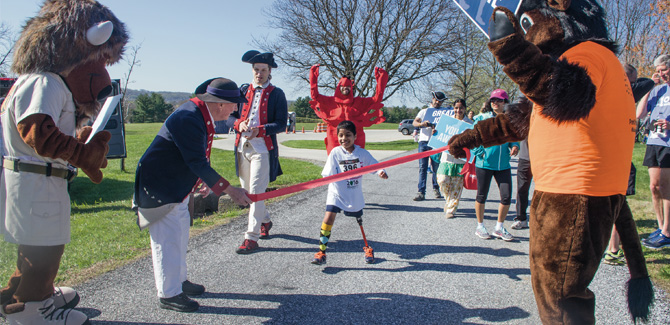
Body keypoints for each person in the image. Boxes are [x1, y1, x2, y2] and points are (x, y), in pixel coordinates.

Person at [0, 2, 127, 324]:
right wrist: (82, 153)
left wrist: (80, 140)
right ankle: (31, 310)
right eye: (98, 58)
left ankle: (18, 296)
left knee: (39, 245)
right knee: (43, 249)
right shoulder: (44, 80)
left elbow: (50, 131)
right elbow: (36, 132)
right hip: (34, 179)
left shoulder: (50, 83)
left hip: (42, 179)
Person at [134, 78, 252, 312]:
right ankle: (168, 294)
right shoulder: (189, 117)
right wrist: (230, 190)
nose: (236, 110)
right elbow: (195, 160)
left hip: (175, 185)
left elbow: (193, 157)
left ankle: (179, 281)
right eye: (234, 104)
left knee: (179, 234)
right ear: (219, 104)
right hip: (161, 187)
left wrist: (201, 181)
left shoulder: (197, 113)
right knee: (167, 240)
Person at [231, 51, 288, 254]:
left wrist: (261, 129)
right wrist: (239, 123)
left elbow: (282, 123)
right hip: (242, 147)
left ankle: (251, 238)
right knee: (248, 192)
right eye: (256, 69)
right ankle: (265, 220)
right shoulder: (242, 90)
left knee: (256, 192)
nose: (259, 73)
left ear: (269, 71)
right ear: (252, 70)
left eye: (263, 70)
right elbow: (230, 116)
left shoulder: (277, 93)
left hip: (263, 150)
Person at [311, 120, 388, 265]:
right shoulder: (335, 152)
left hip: (353, 193)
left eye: (348, 135)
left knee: (359, 219)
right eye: (340, 135)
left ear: (355, 136)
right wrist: (326, 179)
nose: (344, 139)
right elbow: (327, 173)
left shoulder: (362, 153)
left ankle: (367, 247)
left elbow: (375, 165)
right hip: (336, 192)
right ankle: (322, 251)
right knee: (328, 218)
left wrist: (381, 172)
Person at [604, 63, 656, 265]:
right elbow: (647, 83)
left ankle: (609, 246)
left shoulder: (603, 88)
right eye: (631, 81)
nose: (634, 85)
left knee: (610, 204)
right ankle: (613, 249)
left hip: (609, 157)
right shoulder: (620, 91)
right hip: (616, 159)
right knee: (619, 205)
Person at [471, 89, 519, 241]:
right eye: (492, 100)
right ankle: (480, 226)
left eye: (498, 100)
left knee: (506, 197)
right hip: (484, 164)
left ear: (505, 103)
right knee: (481, 195)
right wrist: (480, 152)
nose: (495, 103)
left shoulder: (510, 120)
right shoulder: (482, 118)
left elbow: (513, 138)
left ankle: (499, 227)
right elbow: (473, 138)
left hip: (503, 164)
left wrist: (515, 145)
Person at [309, 64, 388, 154]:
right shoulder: (330, 102)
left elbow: (377, 99)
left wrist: (381, 78)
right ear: (339, 87)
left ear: (351, 87)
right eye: (343, 86)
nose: (345, 88)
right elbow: (314, 96)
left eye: (348, 87)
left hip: (356, 139)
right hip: (334, 139)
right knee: (335, 162)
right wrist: (313, 75)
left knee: (357, 161)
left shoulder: (358, 102)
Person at [636, 54, 670, 249]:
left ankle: (667, 231)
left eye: (663, 70)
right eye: (657, 71)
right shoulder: (658, 91)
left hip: (668, 144)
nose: (660, 74)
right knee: (654, 187)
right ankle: (660, 227)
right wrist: (649, 88)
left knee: (666, 189)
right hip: (654, 141)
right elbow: (639, 114)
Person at [436, 99, 472, 218]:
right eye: (456, 108)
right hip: (446, 157)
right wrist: (435, 133)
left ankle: (451, 209)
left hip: (460, 160)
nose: (458, 110)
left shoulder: (470, 124)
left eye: (461, 108)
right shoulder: (446, 121)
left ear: (465, 109)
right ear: (453, 108)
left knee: (457, 185)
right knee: (442, 180)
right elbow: (439, 136)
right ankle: (449, 201)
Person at [413, 91, 448, 201]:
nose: (438, 102)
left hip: (437, 142)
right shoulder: (424, 111)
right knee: (423, 168)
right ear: (432, 98)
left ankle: (436, 188)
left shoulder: (445, 111)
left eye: (440, 101)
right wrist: (421, 124)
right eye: (436, 100)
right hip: (424, 141)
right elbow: (415, 122)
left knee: (436, 167)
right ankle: (421, 191)